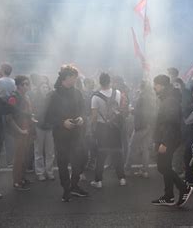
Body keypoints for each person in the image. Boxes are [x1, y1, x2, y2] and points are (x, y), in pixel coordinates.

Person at [45, 65, 88, 202]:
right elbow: (47, 117)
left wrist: (82, 118)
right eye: (73, 77)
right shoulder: (54, 95)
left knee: (81, 159)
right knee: (63, 163)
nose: (75, 79)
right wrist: (62, 122)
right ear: (66, 77)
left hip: (77, 133)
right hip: (61, 135)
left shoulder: (77, 93)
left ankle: (74, 185)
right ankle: (66, 188)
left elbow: (83, 110)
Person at [151, 74, 193, 207]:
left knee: (162, 166)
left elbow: (170, 123)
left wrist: (164, 142)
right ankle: (168, 195)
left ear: (162, 85)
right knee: (165, 166)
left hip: (169, 139)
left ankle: (184, 188)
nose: (154, 87)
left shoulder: (170, 100)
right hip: (165, 138)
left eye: (156, 84)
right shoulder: (167, 98)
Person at [90, 73, 127, 188]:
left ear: (99, 82)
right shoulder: (117, 93)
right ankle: (121, 178)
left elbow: (94, 116)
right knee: (117, 153)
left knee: (101, 155)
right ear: (110, 81)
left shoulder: (95, 97)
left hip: (102, 128)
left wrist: (93, 129)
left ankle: (98, 181)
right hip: (115, 127)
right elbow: (121, 109)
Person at [7, 75, 34, 191]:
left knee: (24, 156)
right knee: (18, 158)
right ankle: (17, 182)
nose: (26, 86)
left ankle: (22, 178)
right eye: (23, 84)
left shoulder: (26, 96)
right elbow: (9, 117)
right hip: (19, 131)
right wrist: (19, 130)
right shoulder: (13, 97)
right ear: (18, 85)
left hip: (27, 129)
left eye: (27, 84)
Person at [125, 80, 155, 178]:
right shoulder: (152, 97)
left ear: (141, 87)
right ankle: (144, 170)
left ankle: (127, 169)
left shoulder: (142, 98)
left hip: (141, 126)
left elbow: (139, 112)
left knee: (132, 147)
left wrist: (131, 110)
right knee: (145, 148)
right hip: (149, 125)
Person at [32, 80, 56, 181]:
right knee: (38, 151)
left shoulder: (52, 99)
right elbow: (32, 112)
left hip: (50, 127)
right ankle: (40, 172)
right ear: (39, 88)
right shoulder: (35, 99)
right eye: (43, 87)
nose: (45, 89)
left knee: (50, 151)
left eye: (46, 87)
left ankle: (49, 171)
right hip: (39, 126)